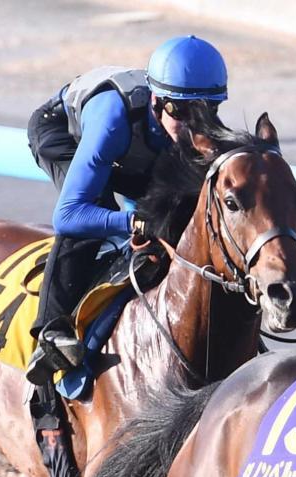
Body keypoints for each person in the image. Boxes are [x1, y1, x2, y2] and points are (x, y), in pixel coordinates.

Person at [24, 35, 229, 384]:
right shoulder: (112, 119)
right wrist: (131, 220)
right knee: (95, 213)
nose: (194, 126)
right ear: (157, 101)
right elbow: (69, 215)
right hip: (63, 134)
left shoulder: (182, 125)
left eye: (206, 111)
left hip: (135, 146)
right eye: (181, 112)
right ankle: (51, 332)